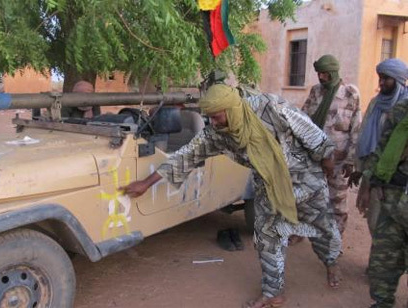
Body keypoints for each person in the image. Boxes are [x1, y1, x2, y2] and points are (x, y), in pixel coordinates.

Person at [121, 84, 342, 308]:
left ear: (231, 108)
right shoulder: (216, 134)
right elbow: (184, 155)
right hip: (267, 184)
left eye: (216, 117)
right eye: (210, 118)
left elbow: (310, 132)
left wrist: (327, 162)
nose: (213, 123)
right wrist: (147, 183)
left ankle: (331, 261)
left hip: (304, 176)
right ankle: (273, 291)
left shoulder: (269, 107)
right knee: (267, 238)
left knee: (321, 225)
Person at [301, 54, 362, 235]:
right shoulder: (315, 92)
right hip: (314, 156)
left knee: (337, 202)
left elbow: (356, 130)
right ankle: (303, 231)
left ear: (334, 72)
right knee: (307, 196)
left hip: (338, 160)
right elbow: (303, 119)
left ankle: (335, 240)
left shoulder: (351, 94)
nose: (321, 77)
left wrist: (351, 161)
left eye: (325, 74)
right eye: (319, 73)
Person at [359, 98, 408, 308]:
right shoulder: (401, 110)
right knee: (383, 262)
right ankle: (382, 302)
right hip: (393, 199)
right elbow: (382, 146)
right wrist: (368, 183)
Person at [353, 58, 408, 235]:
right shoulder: (376, 103)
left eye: (386, 78)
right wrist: (359, 168)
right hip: (373, 169)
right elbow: (363, 136)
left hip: (398, 176)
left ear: (398, 80)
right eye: (380, 78)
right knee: (374, 218)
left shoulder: (404, 108)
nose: (381, 82)